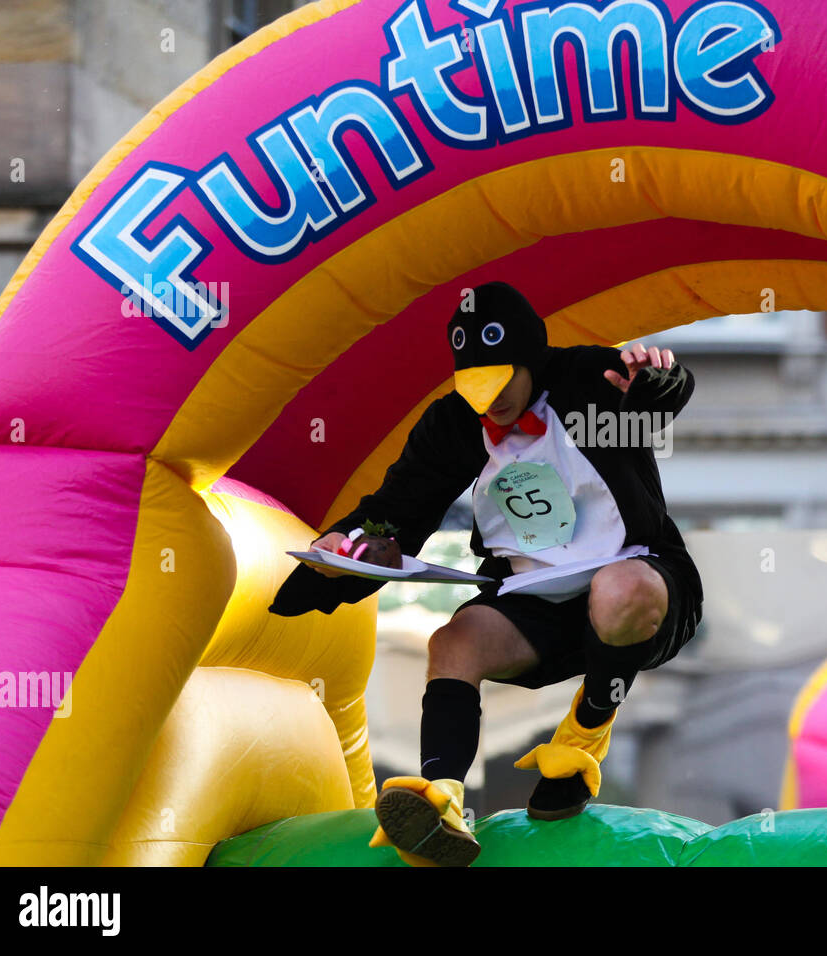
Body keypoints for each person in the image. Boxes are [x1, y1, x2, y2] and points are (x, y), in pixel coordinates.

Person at [268, 281, 703, 866]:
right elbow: (399, 508)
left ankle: (581, 739)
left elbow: (657, 399)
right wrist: (346, 548)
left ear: (531, 361)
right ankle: (439, 801)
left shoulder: (588, 380)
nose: (490, 405)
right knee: (453, 640)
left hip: (641, 583)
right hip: (532, 598)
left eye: (501, 386)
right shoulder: (453, 424)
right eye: (476, 390)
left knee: (619, 587)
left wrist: (661, 380)